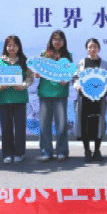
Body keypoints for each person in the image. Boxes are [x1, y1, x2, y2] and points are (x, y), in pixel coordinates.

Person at [0, 35, 34, 164]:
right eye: (9, 45)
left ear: (19, 47)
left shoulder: (24, 61)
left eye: (15, 45)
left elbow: (30, 78)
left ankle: (19, 153)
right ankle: (7, 153)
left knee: (20, 128)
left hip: (20, 98)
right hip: (4, 99)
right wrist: (1, 85)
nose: (12, 48)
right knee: (6, 128)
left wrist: (22, 85)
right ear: (5, 47)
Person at [36, 30, 72, 162]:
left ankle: (62, 151)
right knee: (44, 124)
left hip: (60, 93)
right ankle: (46, 151)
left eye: (60, 39)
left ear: (64, 42)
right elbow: (36, 70)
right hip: (45, 93)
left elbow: (70, 73)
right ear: (51, 41)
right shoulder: (43, 55)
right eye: (55, 39)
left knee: (61, 124)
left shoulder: (68, 56)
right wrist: (36, 73)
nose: (57, 42)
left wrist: (66, 79)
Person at [73, 38, 107, 161]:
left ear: (99, 48)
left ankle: (97, 150)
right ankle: (87, 150)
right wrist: (77, 86)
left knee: (98, 124)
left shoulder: (103, 64)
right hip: (84, 99)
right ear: (87, 49)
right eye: (90, 47)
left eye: (95, 46)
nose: (92, 49)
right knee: (85, 124)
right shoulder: (82, 62)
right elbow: (75, 78)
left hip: (99, 100)